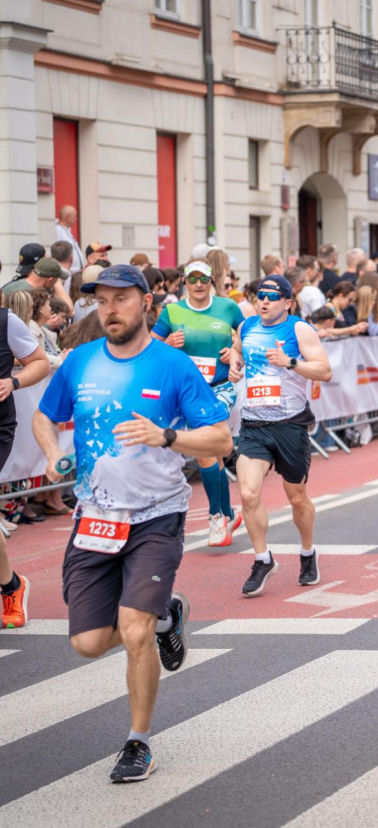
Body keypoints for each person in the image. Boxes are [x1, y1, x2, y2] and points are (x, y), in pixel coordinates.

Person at [31, 264, 232, 781]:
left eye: (120, 299)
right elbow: (44, 415)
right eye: (101, 300)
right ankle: (169, 615)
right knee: (87, 643)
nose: (109, 309)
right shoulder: (80, 361)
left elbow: (220, 439)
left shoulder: (173, 366)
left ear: (146, 303)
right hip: (95, 516)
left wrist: (167, 437)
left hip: (156, 516)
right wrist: (51, 452)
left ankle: (137, 742)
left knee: (134, 628)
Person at [229, 274, 331, 595]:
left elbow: (325, 370)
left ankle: (307, 552)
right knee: (248, 494)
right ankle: (262, 559)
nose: (264, 301)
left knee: (297, 498)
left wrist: (290, 362)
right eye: (261, 295)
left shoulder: (299, 329)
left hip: (290, 424)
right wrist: (234, 363)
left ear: (287, 302)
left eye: (272, 297)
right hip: (254, 425)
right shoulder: (247, 326)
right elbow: (237, 350)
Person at [151, 260, 246, 546]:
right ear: (184, 282)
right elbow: (147, 348)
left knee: (206, 449)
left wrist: (236, 352)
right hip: (187, 391)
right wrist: (168, 344)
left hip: (220, 387)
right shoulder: (172, 311)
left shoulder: (228, 307)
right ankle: (228, 513)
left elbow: (249, 337)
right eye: (192, 278)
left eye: (203, 278)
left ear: (211, 280)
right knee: (211, 451)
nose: (198, 284)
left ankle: (216, 517)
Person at [0, 302, 50, 627]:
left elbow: (40, 362)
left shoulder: (6, 321)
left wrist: (12, 382)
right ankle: (11, 583)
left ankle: (11, 589)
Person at [54, 204, 85, 271]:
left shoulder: (66, 230)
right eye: (74, 216)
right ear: (67, 217)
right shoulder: (58, 230)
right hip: (68, 270)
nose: (76, 219)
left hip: (75, 271)